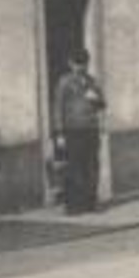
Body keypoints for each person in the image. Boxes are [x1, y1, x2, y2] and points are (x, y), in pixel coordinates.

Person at [53, 48, 106, 215]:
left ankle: (90, 202)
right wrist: (60, 133)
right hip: (72, 129)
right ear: (70, 64)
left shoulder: (92, 81)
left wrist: (96, 99)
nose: (81, 68)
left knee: (91, 166)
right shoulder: (64, 82)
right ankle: (73, 206)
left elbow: (103, 105)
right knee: (74, 167)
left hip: (91, 128)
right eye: (77, 64)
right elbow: (58, 108)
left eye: (84, 64)